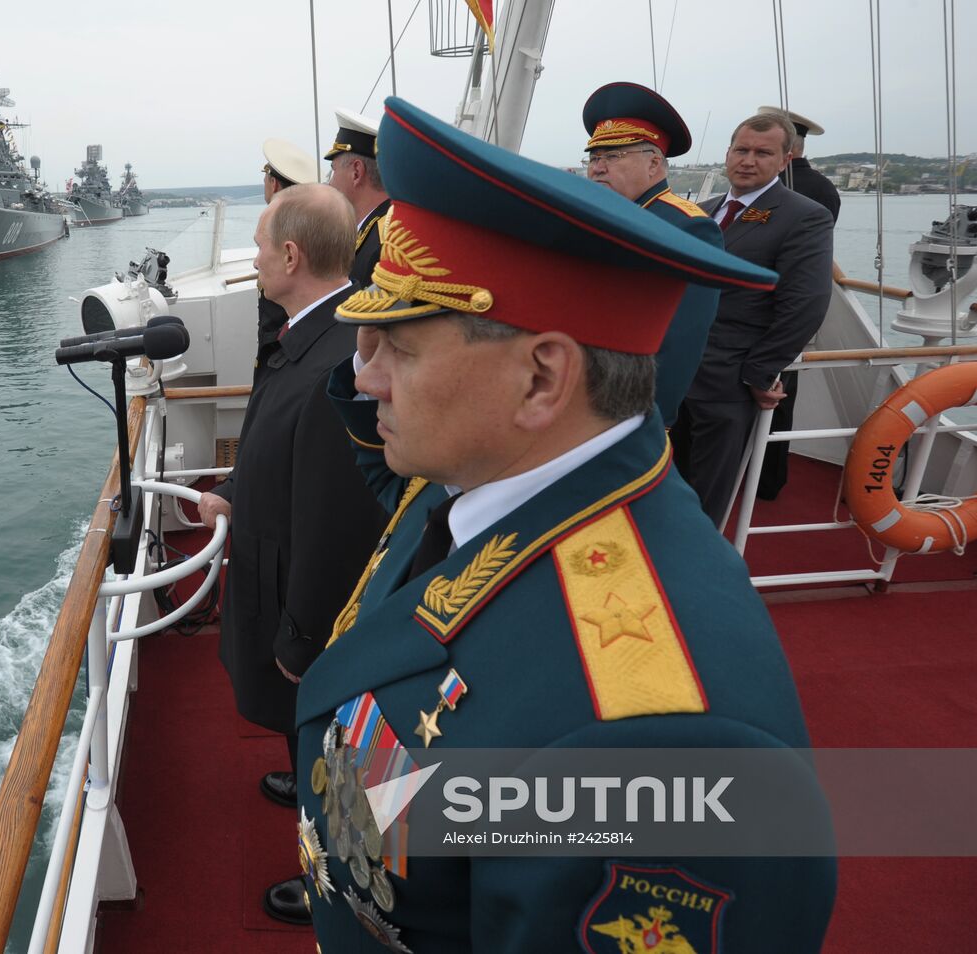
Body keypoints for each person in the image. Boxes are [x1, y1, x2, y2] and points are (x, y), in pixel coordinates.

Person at [293, 97, 835, 952]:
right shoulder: (475, 481)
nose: (365, 380)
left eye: (397, 346)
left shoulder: (657, 741)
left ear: (543, 380)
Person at [197, 183, 386, 926]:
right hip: (275, 580)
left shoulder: (335, 361)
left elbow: (336, 523)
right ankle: (304, 775)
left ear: (290, 254)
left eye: (258, 243)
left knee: (332, 749)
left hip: (303, 609)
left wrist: (304, 639)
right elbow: (280, 449)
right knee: (303, 738)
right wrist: (237, 490)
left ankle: (338, 885)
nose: (252, 257)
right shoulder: (311, 336)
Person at [673, 112, 834, 527]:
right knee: (667, 479)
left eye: (763, 153)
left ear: (784, 160)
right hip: (678, 372)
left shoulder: (803, 216)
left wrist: (760, 373)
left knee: (707, 493)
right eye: (741, 150)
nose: (748, 160)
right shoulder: (701, 212)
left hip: (730, 378)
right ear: (727, 154)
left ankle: (695, 573)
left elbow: (806, 303)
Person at [581, 82, 724, 426]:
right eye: (594, 158)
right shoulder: (592, 219)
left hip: (625, 412)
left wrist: (646, 422)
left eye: (613, 156)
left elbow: (679, 342)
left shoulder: (688, 229)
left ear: (654, 164)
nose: (598, 167)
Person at [756, 106, 841, 499]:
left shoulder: (778, 187)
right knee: (781, 398)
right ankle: (769, 479)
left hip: (763, 308)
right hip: (792, 313)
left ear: (787, 145)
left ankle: (757, 476)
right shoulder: (825, 188)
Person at [256, 138, 321, 355]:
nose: (257, 263)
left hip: (283, 342)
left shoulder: (277, 228)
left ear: (273, 183)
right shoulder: (314, 225)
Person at [325, 108, 391, 289]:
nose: (330, 183)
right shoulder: (376, 231)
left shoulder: (385, 243)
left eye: (334, 170)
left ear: (356, 172)